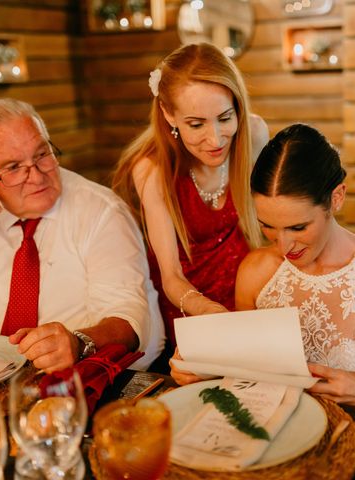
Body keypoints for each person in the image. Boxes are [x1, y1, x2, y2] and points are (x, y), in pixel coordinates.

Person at [0, 98, 164, 373]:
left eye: (42, 155)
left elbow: (129, 319)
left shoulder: (101, 211)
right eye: (13, 168)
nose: (36, 176)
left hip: (85, 377)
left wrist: (79, 342)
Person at [230, 123, 355, 411]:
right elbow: (243, 375)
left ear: (337, 198)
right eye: (267, 226)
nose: (284, 246)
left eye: (298, 227)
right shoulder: (255, 272)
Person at [112, 43, 269, 366]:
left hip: (249, 289)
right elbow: (170, 276)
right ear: (169, 114)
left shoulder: (254, 134)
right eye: (196, 125)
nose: (215, 139)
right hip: (189, 302)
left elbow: (267, 227)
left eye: (225, 118)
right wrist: (206, 309)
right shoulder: (153, 170)